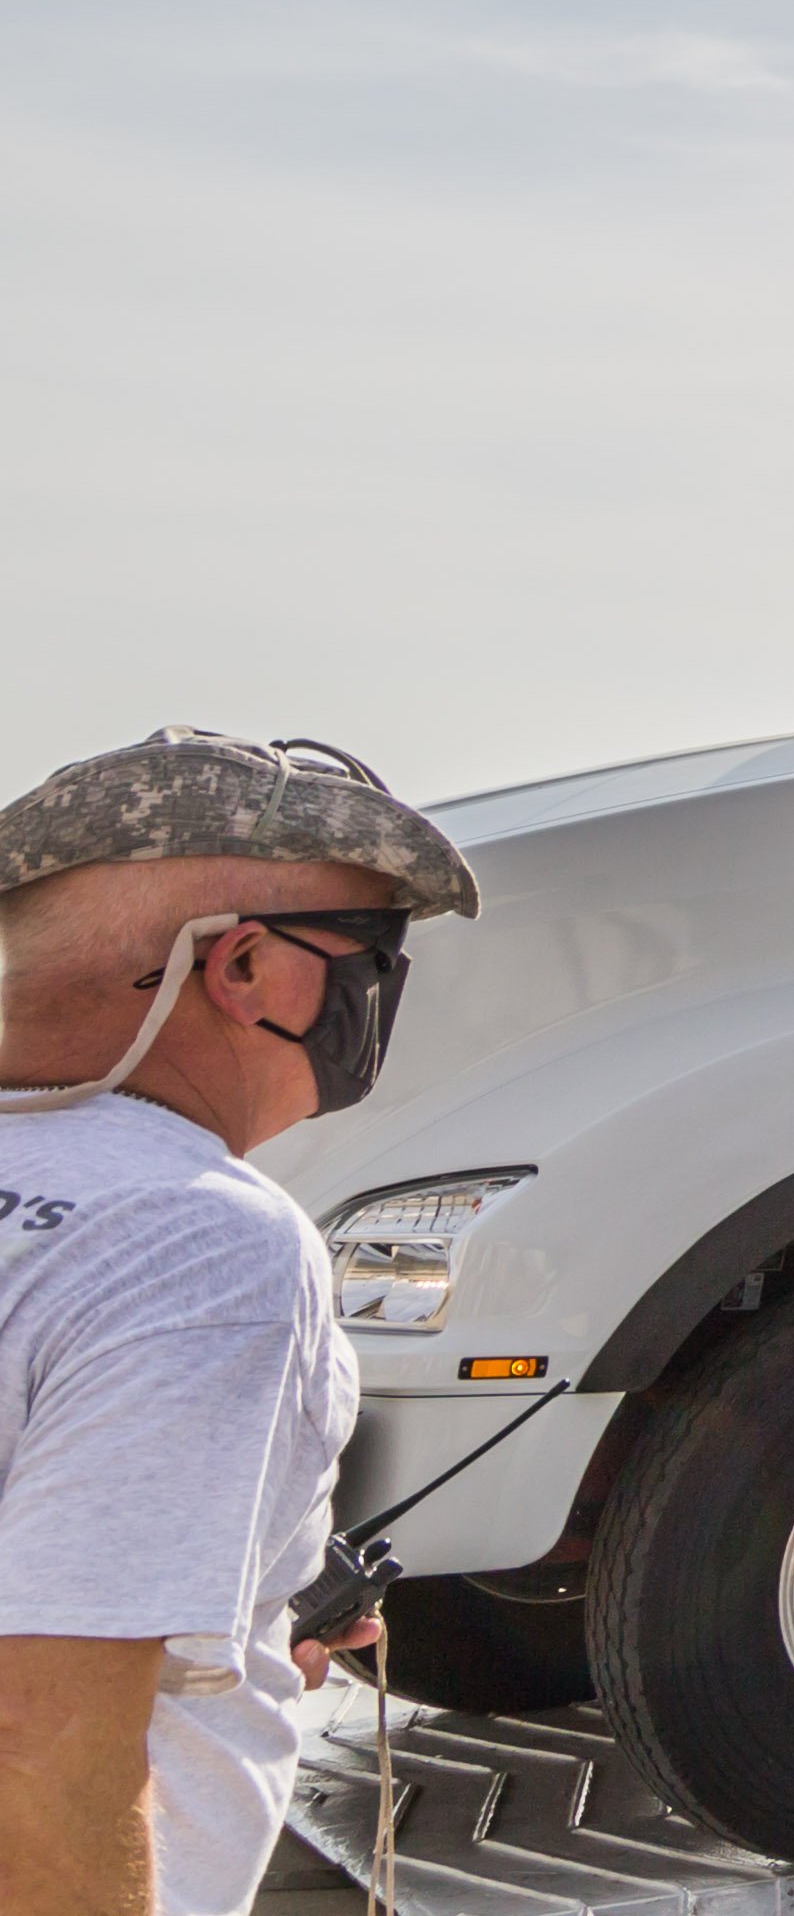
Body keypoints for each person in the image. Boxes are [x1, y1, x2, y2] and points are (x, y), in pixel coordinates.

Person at [0, 732, 482, 1916]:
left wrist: (241, 1618)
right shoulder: (196, 1241)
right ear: (248, 969)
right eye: (371, 952)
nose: (383, 991)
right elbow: (39, 1751)